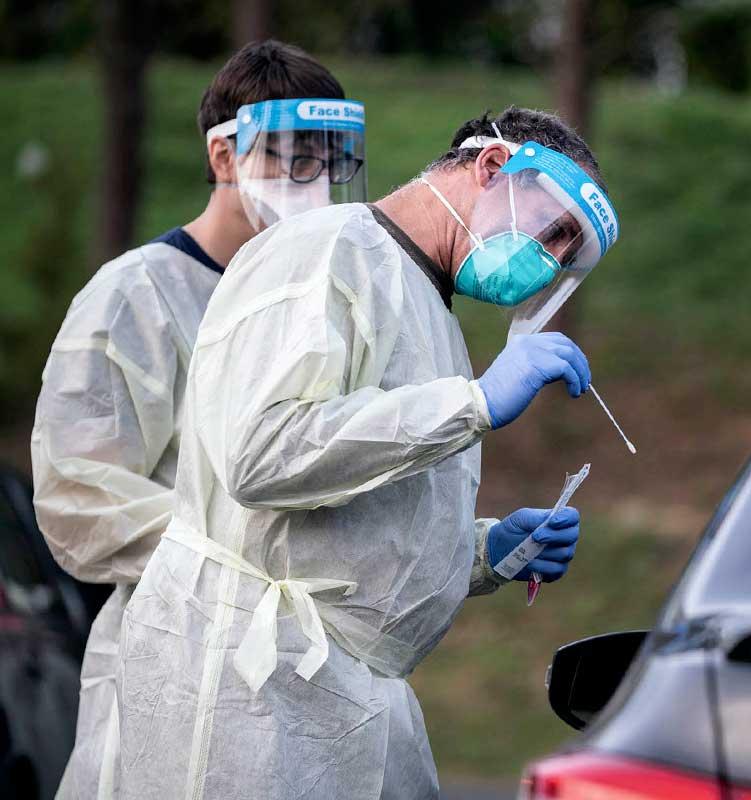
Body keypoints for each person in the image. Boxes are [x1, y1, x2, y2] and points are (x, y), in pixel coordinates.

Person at [117, 106, 619, 799]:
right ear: (495, 167)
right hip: (247, 692)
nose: (551, 261)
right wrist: (469, 405)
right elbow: (262, 453)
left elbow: (360, 510)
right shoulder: (327, 251)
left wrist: (485, 552)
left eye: (569, 255)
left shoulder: (429, 311)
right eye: (556, 231)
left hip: (333, 701)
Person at [30, 40, 363, 800]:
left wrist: (478, 549)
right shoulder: (137, 296)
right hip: (173, 670)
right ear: (224, 156)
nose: (311, 185)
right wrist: (245, 572)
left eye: (328, 162)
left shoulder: (321, 304)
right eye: (291, 159)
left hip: (307, 680)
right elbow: (80, 496)